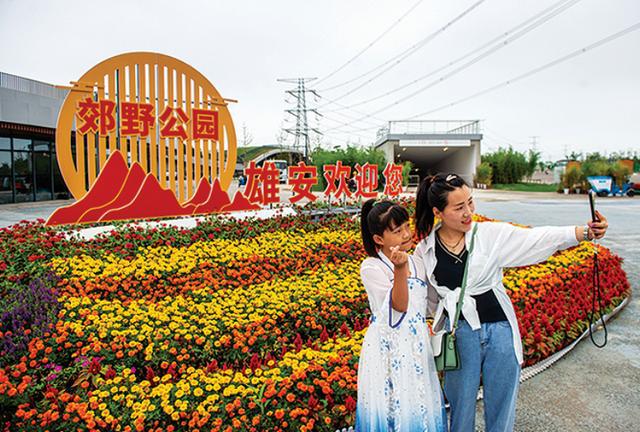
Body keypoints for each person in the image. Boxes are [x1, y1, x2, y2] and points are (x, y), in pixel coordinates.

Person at [413, 173, 609, 432]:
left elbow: (535, 238)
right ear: (438, 212)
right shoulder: (425, 250)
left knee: (502, 403)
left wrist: (584, 232)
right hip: (458, 336)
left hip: (499, 330)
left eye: (470, 202)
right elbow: (424, 300)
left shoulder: (488, 234)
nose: (468, 212)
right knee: (460, 406)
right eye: (459, 207)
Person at [356, 199, 447, 432]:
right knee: (392, 406)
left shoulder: (418, 263)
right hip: (387, 348)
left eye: (407, 226)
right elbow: (399, 307)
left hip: (416, 344)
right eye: (397, 231)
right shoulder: (372, 267)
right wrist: (399, 270)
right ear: (379, 239)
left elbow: (429, 304)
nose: (406, 234)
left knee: (418, 402)